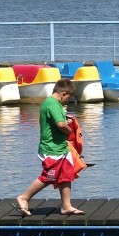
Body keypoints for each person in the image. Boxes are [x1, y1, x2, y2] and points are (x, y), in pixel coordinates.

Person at [15, 78, 84, 216]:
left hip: (61, 147)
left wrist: (66, 120)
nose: (68, 101)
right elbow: (60, 124)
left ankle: (66, 206)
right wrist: (70, 130)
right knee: (49, 176)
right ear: (63, 94)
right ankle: (24, 197)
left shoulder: (55, 105)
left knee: (66, 175)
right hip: (51, 148)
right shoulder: (52, 104)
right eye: (68, 98)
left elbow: (59, 120)